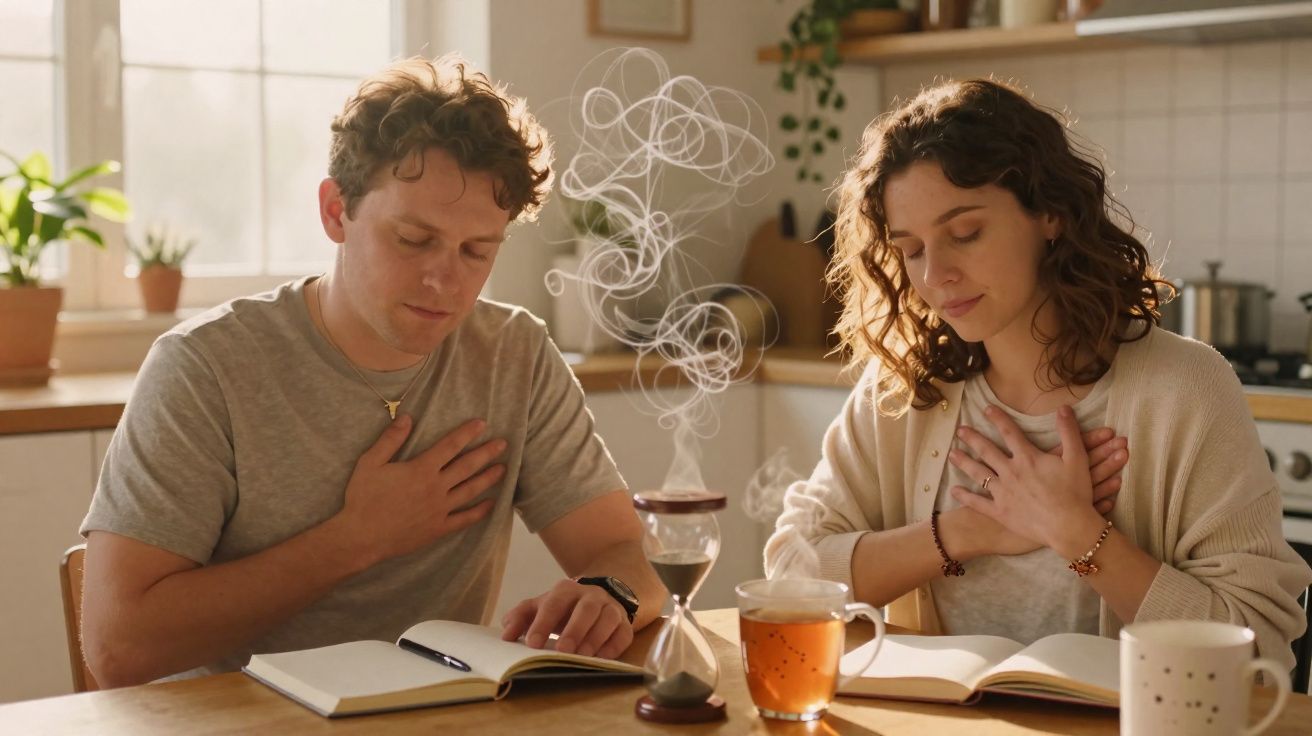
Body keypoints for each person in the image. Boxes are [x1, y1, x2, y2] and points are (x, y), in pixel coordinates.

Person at [79, 54, 664, 688]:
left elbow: (625, 555)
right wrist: (355, 539)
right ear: (335, 212)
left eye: (477, 251)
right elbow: (118, 648)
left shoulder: (513, 354)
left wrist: (610, 594)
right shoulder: (204, 367)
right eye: (413, 240)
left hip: (440, 719)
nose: (445, 280)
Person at [765, 79, 1311, 668]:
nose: (936, 275)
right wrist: (969, 531)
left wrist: (1077, 533)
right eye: (912, 249)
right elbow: (793, 573)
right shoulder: (906, 390)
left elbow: (1259, 647)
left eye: (965, 233)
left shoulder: (1186, 390)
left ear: (1050, 212)